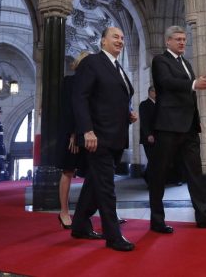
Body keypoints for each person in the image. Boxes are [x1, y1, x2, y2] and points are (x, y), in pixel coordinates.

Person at [148, 25, 206, 234]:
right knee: (159, 174)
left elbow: (191, 98)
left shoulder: (186, 63)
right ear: (168, 42)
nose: (182, 42)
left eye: (184, 39)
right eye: (177, 39)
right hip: (168, 126)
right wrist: (193, 84)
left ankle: (204, 216)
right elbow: (166, 83)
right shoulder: (160, 61)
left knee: (195, 174)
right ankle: (157, 220)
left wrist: (197, 120)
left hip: (189, 127)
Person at [70, 27, 137, 252]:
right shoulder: (92, 63)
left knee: (94, 184)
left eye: (122, 38)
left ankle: (79, 224)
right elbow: (80, 98)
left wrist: (127, 115)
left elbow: (113, 99)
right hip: (97, 137)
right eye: (115, 37)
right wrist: (86, 131)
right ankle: (113, 236)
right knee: (107, 188)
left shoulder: (117, 68)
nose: (120, 41)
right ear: (102, 41)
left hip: (116, 136)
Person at [57, 51, 90, 229]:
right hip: (72, 134)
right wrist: (73, 134)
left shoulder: (94, 83)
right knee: (68, 171)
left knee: (94, 174)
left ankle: (88, 212)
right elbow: (69, 109)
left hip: (89, 133)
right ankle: (63, 212)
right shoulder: (70, 81)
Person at [138, 86, 156, 183]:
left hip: (158, 137)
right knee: (152, 159)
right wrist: (148, 134)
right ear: (150, 92)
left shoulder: (159, 104)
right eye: (154, 91)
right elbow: (144, 122)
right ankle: (149, 180)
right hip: (148, 137)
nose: (156, 94)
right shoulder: (144, 104)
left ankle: (148, 177)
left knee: (155, 160)